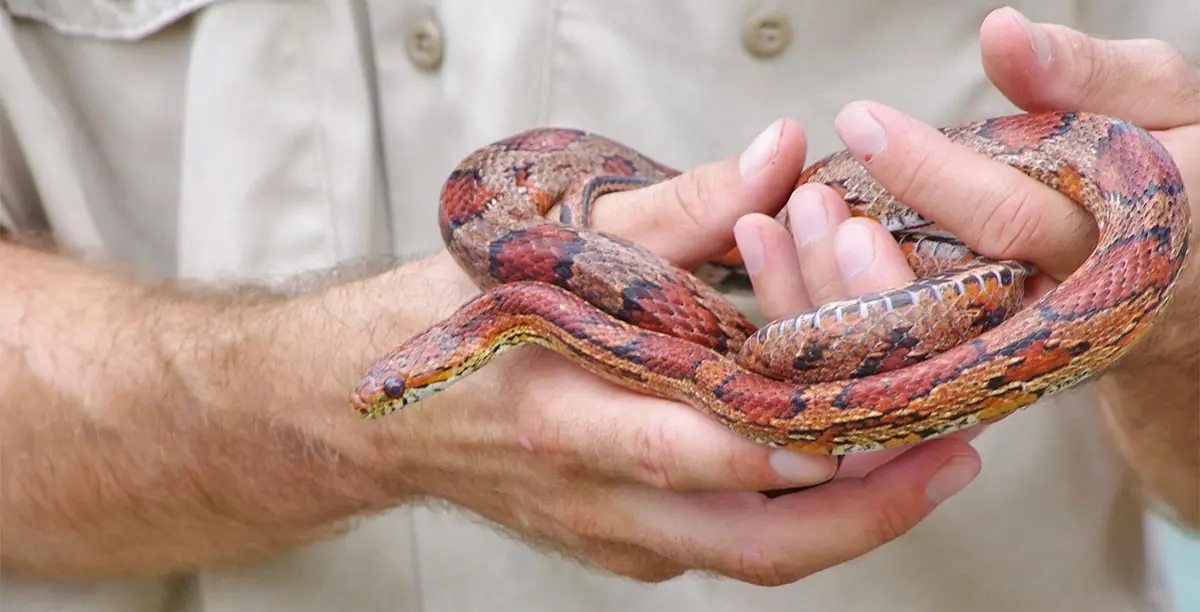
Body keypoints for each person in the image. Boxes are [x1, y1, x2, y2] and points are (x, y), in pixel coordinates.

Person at [1, 1, 1196, 610]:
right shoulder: (520, 293)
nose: (387, 395)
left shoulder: (516, 296)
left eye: (397, 383)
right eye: (395, 382)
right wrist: (304, 403)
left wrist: (1174, 306)